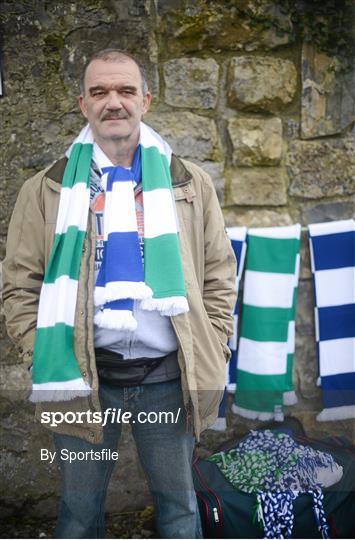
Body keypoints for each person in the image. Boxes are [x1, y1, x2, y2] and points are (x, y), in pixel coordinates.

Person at [2, 49, 237, 539]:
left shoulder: (190, 184)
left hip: (168, 378)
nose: (114, 102)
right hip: (84, 377)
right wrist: (38, 348)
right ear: (82, 103)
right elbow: (19, 283)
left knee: (178, 508)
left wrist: (214, 340)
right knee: (79, 512)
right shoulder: (43, 190)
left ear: (146, 100)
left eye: (126, 91)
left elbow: (218, 272)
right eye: (100, 92)